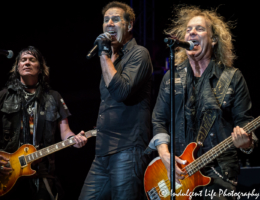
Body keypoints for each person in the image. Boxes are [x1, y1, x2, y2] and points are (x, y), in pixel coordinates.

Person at [148, 5, 258, 200]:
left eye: (199, 29)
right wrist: (165, 155)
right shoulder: (172, 77)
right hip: (179, 174)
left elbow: (245, 123)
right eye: (189, 29)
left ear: (214, 40)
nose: (192, 32)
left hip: (219, 173)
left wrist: (246, 143)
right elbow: (158, 120)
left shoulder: (232, 78)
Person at [0, 46, 87, 200]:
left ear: (41, 68)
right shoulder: (4, 95)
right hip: (7, 169)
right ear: (17, 68)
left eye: (32, 60)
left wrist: (74, 140)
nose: (27, 63)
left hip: (42, 171)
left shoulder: (54, 97)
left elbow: (66, 132)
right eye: (23, 60)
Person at [79, 1, 153, 200]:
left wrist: (103, 53)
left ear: (129, 26)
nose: (109, 23)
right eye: (106, 20)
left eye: (116, 19)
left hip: (128, 149)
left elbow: (121, 92)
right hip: (103, 151)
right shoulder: (111, 59)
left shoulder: (139, 54)